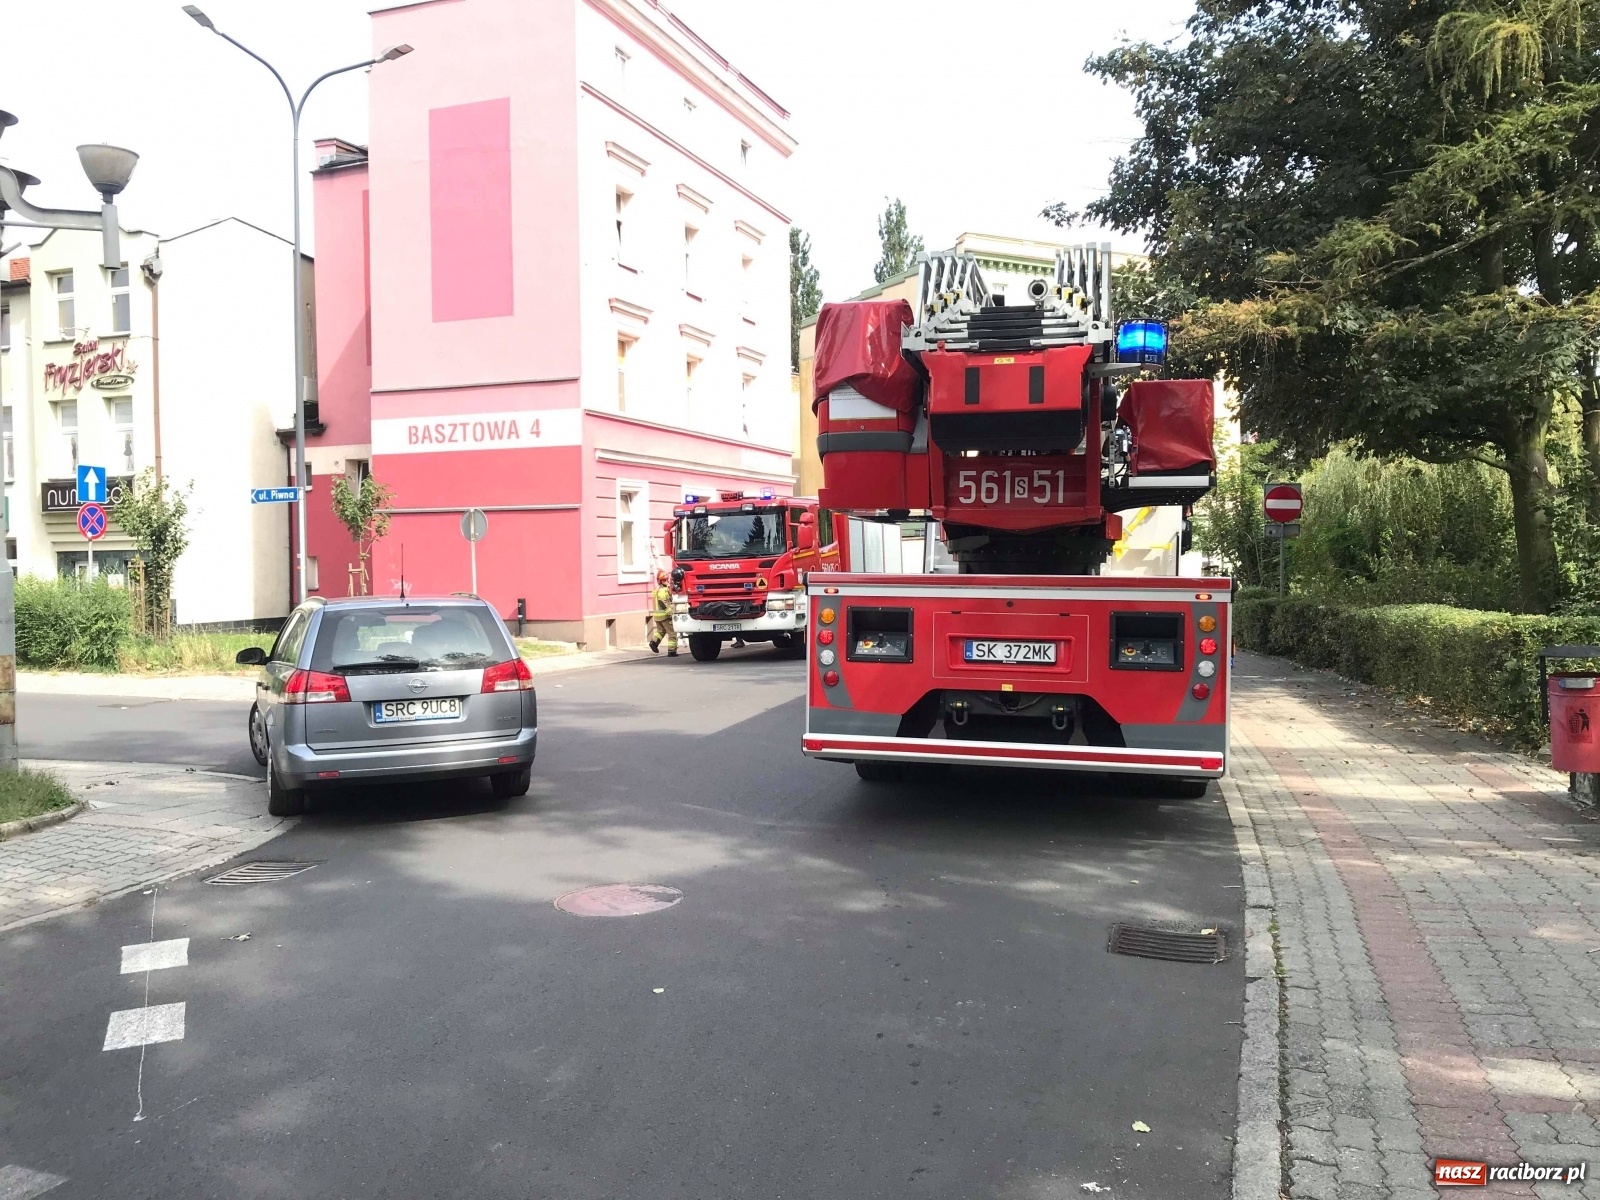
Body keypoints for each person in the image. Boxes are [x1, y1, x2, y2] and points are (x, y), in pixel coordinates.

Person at [647, 570, 678, 656]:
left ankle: (654, 642)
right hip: (665, 616)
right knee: (672, 633)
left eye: (666, 579)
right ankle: (672, 651)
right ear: (660, 581)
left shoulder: (656, 589)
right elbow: (662, 602)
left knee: (661, 631)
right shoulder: (662, 590)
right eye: (664, 580)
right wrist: (669, 612)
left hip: (657, 615)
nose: (666, 581)